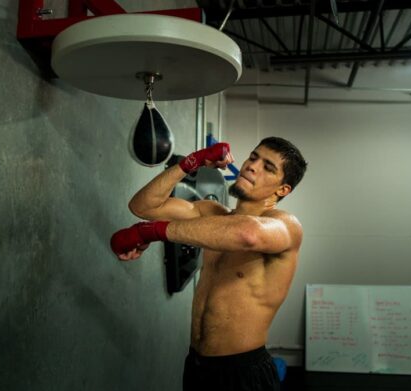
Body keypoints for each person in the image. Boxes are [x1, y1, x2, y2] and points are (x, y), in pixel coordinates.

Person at [110, 137, 308, 391]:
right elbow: (142, 206)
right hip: (197, 366)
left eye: (268, 167)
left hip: (243, 373)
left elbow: (247, 235)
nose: (252, 166)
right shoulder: (211, 213)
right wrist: (192, 162)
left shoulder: (286, 226)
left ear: (282, 190)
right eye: (254, 157)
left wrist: (149, 232)